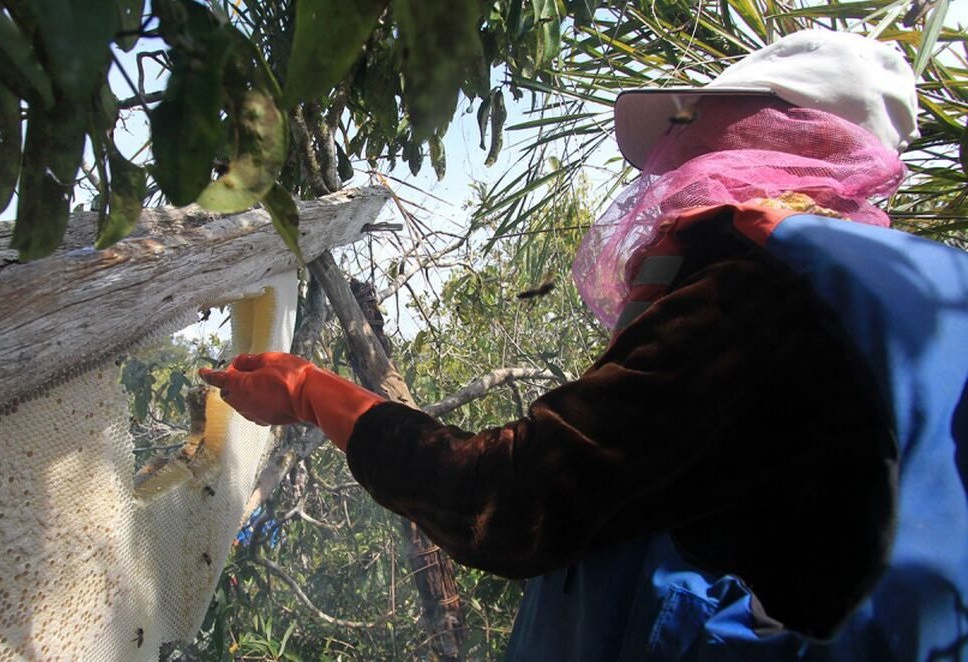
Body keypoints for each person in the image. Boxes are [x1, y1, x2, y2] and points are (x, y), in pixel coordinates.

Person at [201, 30, 968, 661]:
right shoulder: (908, 306)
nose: (674, 160)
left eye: (694, 128)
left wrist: (308, 392)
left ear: (779, 132)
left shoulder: (758, 298)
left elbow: (509, 501)